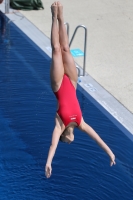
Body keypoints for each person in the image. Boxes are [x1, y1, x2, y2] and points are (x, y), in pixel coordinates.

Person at [45, 1, 116, 178]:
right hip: (72, 82)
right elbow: (97, 138)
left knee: (56, 50)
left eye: (66, 142)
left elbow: (53, 145)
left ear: (64, 138)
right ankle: (62, 17)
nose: (70, 143)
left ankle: (54, 16)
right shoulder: (80, 123)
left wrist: (48, 163)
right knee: (66, 48)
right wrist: (110, 152)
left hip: (59, 85)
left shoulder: (59, 125)